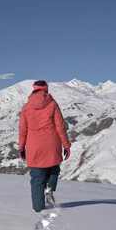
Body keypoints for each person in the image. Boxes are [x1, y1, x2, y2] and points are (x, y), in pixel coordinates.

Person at [18, 80, 71, 213]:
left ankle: (38, 207)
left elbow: (22, 130)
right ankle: (49, 187)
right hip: (52, 145)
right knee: (54, 169)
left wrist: (21, 147)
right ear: (46, 89)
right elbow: (60, 127)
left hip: (34, 146)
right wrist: (66, 145)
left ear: (34, 89)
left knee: (36, 178)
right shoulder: (52, 104)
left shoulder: (26, 107)